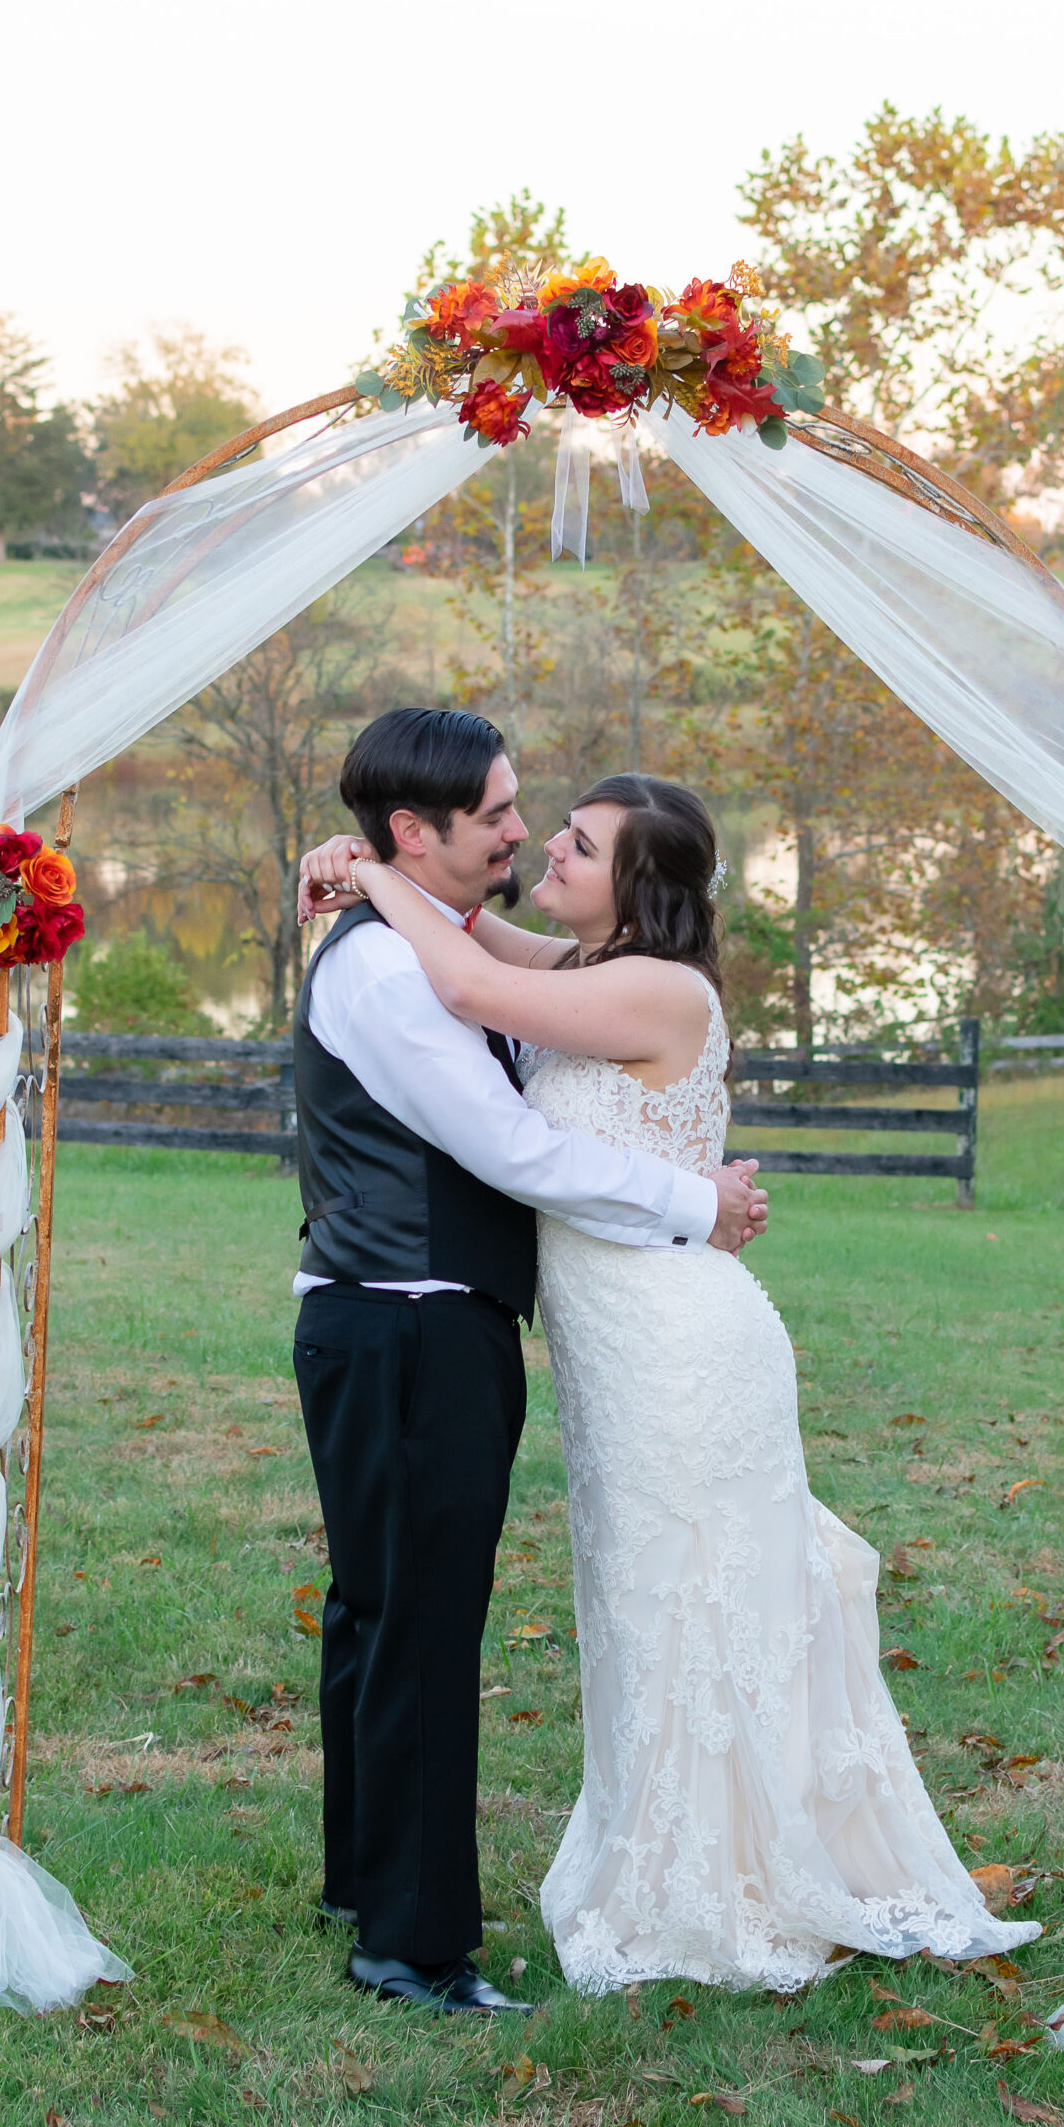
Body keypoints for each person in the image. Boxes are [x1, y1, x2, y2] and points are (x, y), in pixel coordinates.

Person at [300, 772, 1040, 1992]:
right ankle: (684, 1861)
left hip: (680, 1349)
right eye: (551, 830)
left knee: (698, 1602)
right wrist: (364, 860)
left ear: (638, 887)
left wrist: (374, 869)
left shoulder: (655, 987)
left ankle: (734, 1880)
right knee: (645, 1611)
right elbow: (468, 931)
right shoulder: (589, 965)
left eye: (581, 846)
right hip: (617, 1350)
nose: (547, 848)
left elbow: (470, 983)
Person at [289, 711, 769, 2018]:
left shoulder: (437, 940)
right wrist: (694, 1200)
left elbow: (497, 979)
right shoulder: (390, 973)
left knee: (383, 1612)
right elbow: (512, 1150)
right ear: (416, 830)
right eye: (499, 812)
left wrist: (359, 868)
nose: (520, 830)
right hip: (409, 1323)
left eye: (530, 814)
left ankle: (369, 1881)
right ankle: (412, 1944)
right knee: (419, 1627)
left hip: (414, 1321)